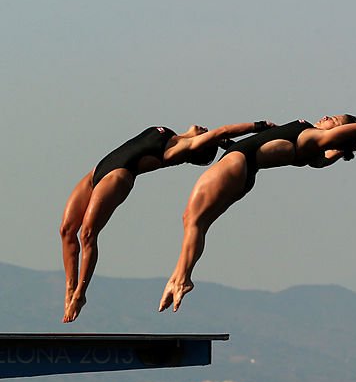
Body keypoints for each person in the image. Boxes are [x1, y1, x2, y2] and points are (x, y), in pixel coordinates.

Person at [158, 114, 356, 313]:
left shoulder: (313, 138)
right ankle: (179, 278)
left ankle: (181, 279)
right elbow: (322, 160)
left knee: (193, 220)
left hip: (236, 164)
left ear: (338, 133)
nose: (326, 116)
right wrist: (351, 148)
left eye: (335, 120)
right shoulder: (312, 149)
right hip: (243, 168)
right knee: (197, 223)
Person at [59, 120, 273, 322]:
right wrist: (220, 142)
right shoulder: (173, 135)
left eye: (206, 135)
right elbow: (221, 137)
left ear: (200, 147)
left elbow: (224, 130)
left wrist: (261, 126)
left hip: (117, 176)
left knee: (87, 234)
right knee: (66, 230)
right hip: (97, 171)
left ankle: (80, 293)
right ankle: (70, 287)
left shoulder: (186, 147)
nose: (205, 128)